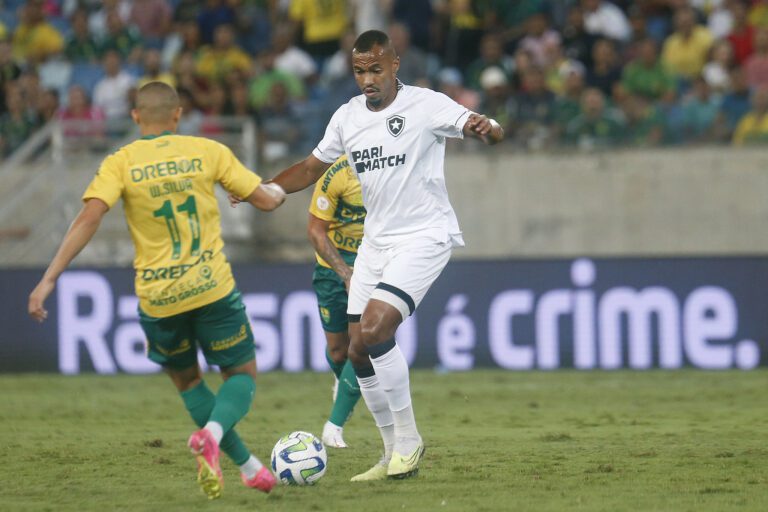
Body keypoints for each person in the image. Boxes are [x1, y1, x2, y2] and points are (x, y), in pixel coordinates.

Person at [242, 29, 504, 481]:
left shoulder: (425, 104)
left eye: (376, 69)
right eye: (360, 70)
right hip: (376, 245)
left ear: (395, 65)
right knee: (356, 352)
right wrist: (262, 188)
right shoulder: (347, 117)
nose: (367, 79)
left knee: (378, 326)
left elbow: (484, 127)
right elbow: (310, 167)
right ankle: (389, 455)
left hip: (424, 235)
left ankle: (409, 441)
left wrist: (488, 128)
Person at [27, 82, 286, 500]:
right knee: (241, 376)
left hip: (158, 299)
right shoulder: (208, 151)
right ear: (178, 114)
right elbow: (267, 200)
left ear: (134, 118)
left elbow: (89, 217)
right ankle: (214, 435)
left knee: (188, 383)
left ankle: (250, 467)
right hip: (211, 288)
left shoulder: (121, 162)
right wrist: (274, 188)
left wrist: (50, 277)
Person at [307, 155, 365, 449]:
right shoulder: (335, 175)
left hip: (373, 263)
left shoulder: (393, 168)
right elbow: (315, 231)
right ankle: (346, 385)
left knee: (362, 344)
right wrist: (344, 273)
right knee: (338, 351)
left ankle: (334, 426)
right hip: (333, 267)